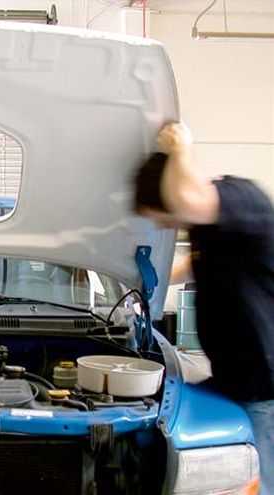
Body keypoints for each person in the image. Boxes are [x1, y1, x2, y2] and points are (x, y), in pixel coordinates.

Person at [134, 123, 273, 494]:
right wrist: (149, 285)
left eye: (159, 214)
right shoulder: (210, 228)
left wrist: (181, 147)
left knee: (260, 483)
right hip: (234, 380)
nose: (161, 224)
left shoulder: (241, 199)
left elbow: (187, 201)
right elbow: (196, 265)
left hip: (266, 391)